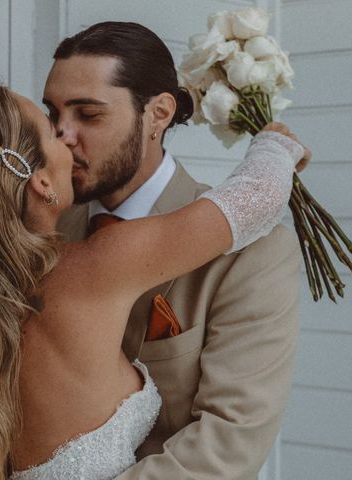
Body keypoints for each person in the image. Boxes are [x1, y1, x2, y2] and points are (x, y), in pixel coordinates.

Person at [0, 72, 306, 479]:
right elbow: (258, 198)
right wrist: (275, 143)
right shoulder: (94, 267)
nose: (68, 137)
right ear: (40, 182)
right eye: (52, 131)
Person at [44, 22, 311, 479]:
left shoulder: (253, 253)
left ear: (159, 114)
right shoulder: (44, 229)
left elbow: (225, 447)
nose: (61, 137)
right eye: (52, 116)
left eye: (88, 114)